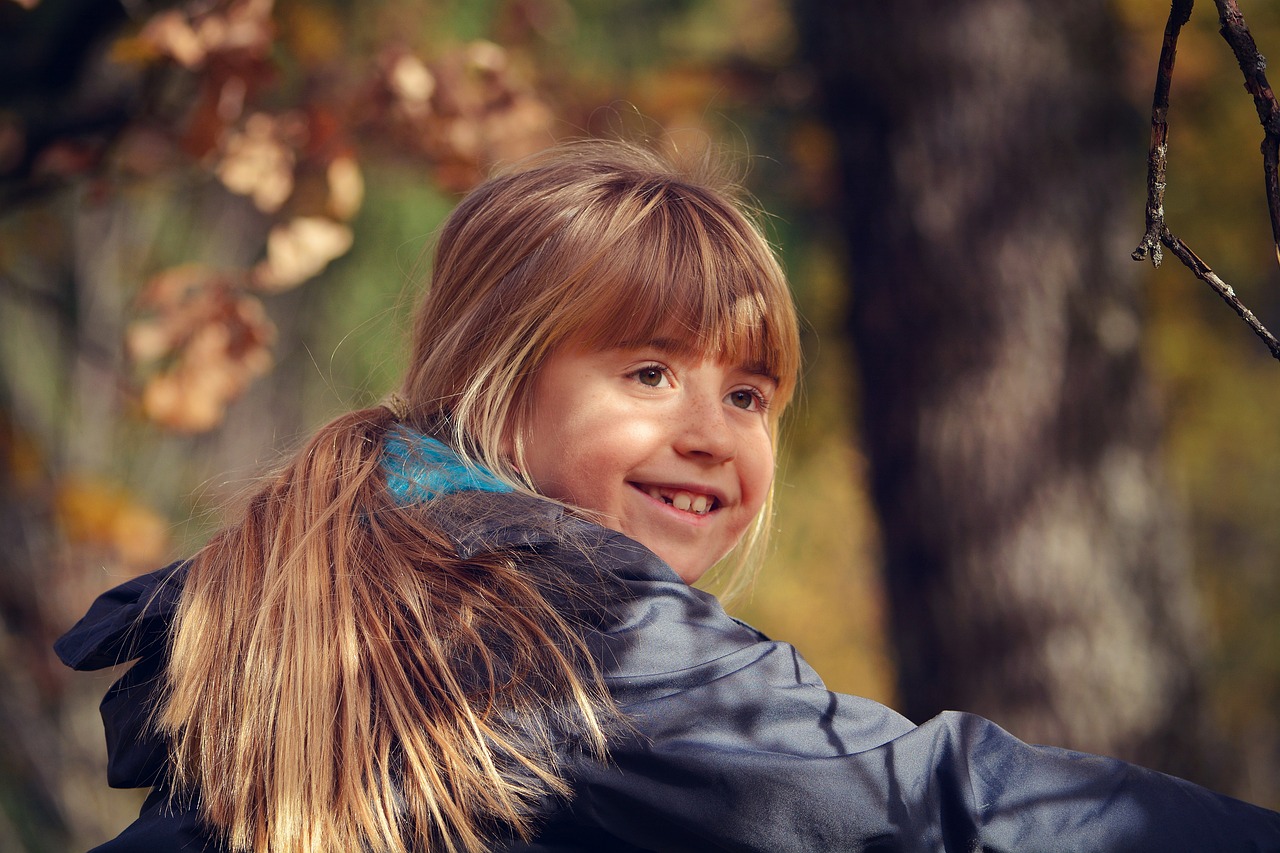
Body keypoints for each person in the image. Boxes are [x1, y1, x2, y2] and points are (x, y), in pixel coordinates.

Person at [57, 139, 1280, 853]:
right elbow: (917, 811)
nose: (710, 434)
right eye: (647, 372)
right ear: (498, 378)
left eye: (749, 397)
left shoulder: (358, 593)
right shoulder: (545, 614)